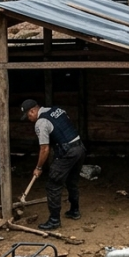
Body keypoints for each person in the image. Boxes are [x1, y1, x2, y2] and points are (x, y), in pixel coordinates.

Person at [21, 99, 87, 231]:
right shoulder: (56, 110)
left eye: (29, 115)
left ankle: (54, 220)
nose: (29, 119)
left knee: (53, 185)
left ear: (33, 110)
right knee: (72, 182)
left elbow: (44, 149)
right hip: (80, 148)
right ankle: (74, 211)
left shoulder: (41, 122)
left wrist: (38, 167)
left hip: (67, 152)